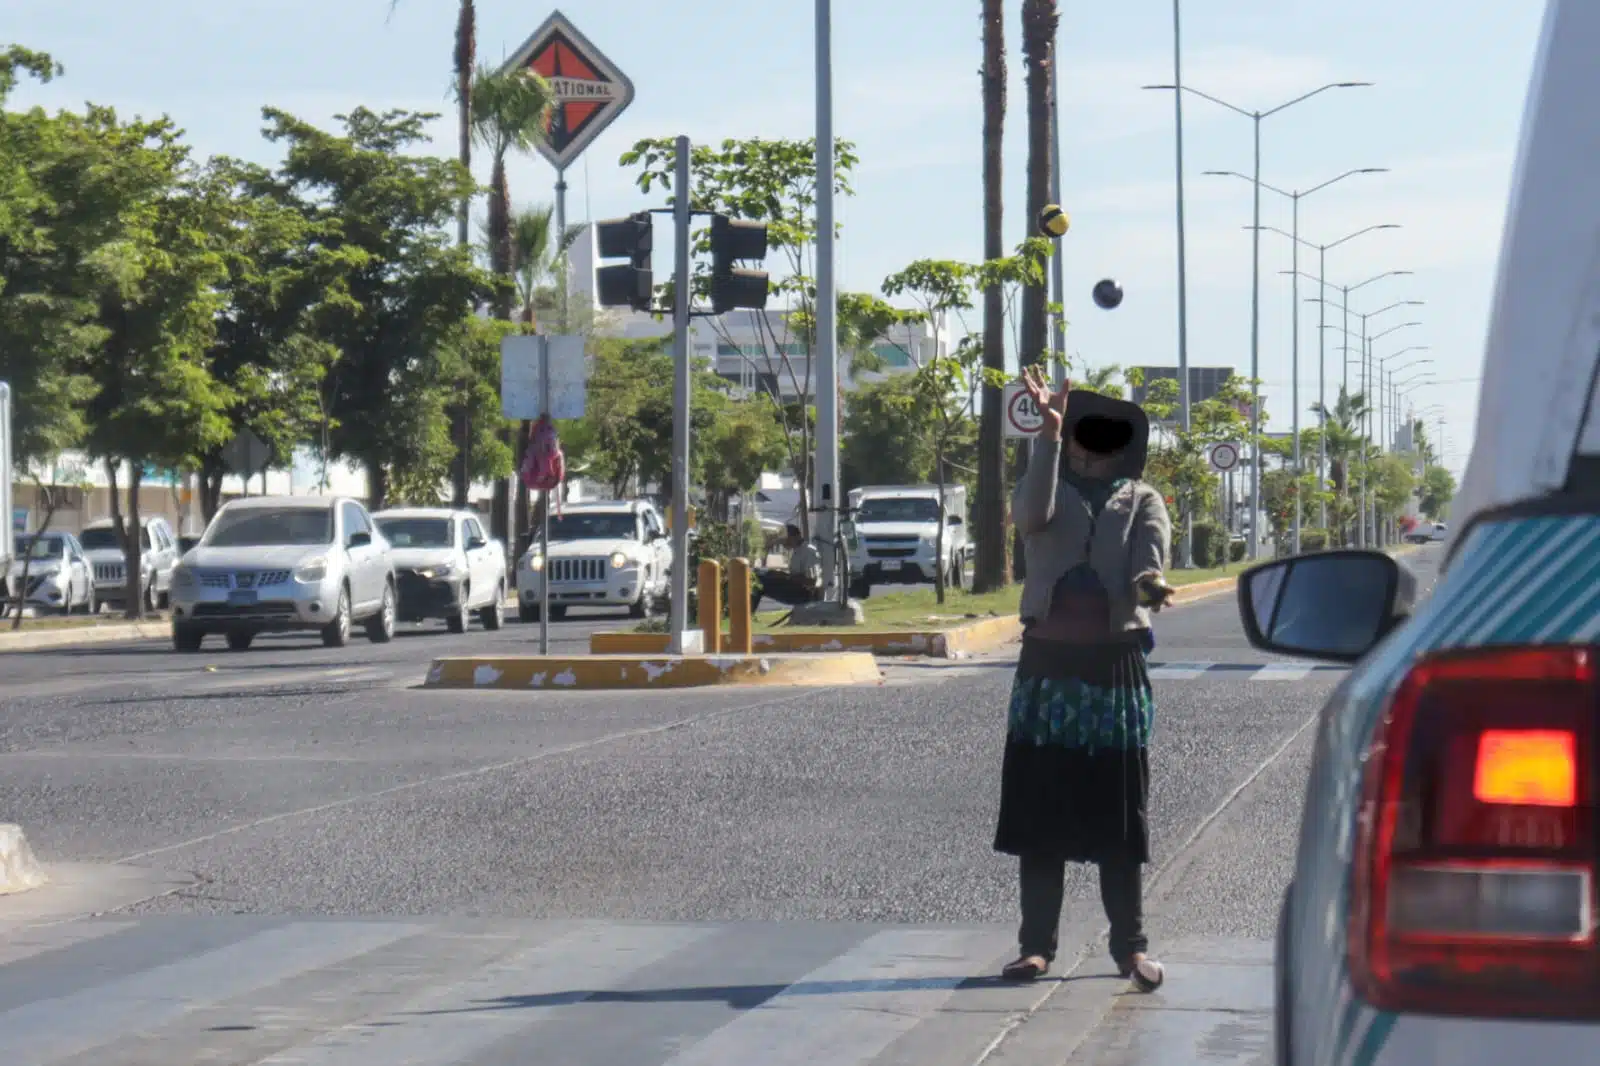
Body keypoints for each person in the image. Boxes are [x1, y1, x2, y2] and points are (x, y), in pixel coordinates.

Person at [994, 365, 1174, 993]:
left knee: (1120, 818)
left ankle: (1130, 949)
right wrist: (1045, 434)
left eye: (1105, 435)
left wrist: (1152, 586)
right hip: (1047, 669)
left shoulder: (1142, 498)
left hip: (1115, 671)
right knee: (1040, 812)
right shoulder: (1045, 484)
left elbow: (1150, 557)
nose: (1090, 445)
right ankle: (1035, 947)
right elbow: (1030, 518)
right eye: (1080, 433)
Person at [750, 524, 823, 613]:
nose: (784, 543)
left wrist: (785, 576)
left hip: (805, 594)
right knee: (757, 575)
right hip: (795, 589)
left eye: (787, 540)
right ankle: (746, 613)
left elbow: (813, 581)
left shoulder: (809, 551)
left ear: (797, 536)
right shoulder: (797, 551)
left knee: (759, 583)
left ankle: (747, 615)